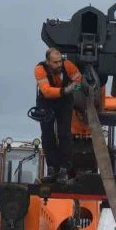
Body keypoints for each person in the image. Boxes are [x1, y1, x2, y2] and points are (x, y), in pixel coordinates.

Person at [34, 47, 81, 183]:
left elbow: (79, 83)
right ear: (48, 62)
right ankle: (52, 168)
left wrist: (74, 88)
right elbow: (46, 91)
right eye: (55, 62)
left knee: (64, 134)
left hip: (65, 102)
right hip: (47, 102)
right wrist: (65, 90)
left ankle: (64, 169)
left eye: (60, 61)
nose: (58, 64)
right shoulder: (40, 69)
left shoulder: (68, 66)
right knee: (47, 135)